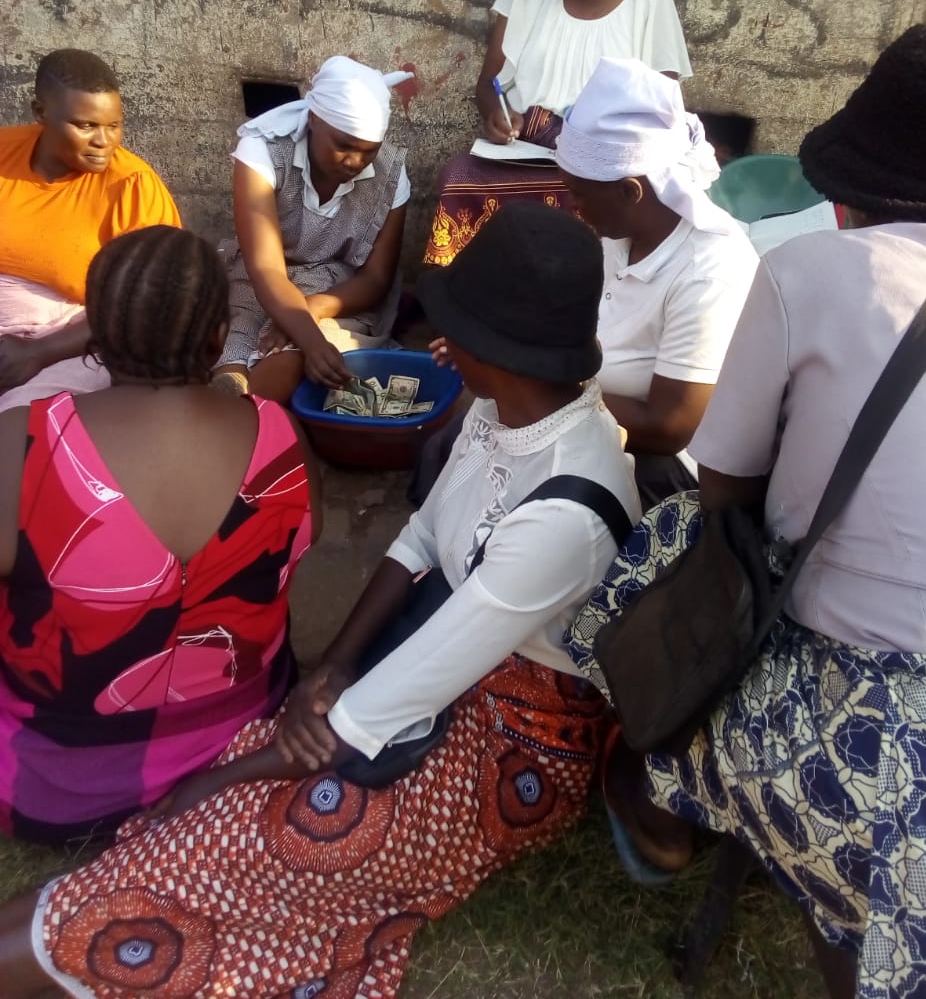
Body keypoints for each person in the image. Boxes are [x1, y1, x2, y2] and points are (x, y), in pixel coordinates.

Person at [0, 204, 641, 999]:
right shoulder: (503, 410)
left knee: (274, 832)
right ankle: (82, 909)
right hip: (437, 661)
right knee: (250, 776)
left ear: (497, 352)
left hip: (507, 738)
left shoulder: (567, 513)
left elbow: (392, 706)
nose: (437, 342)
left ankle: (66, 935)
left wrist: (223, 781)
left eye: (453, 328)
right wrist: (330, 667)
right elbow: (419, 541)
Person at [603, 23, 926, 999]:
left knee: (667, 542)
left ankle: (664, 790)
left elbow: (725, 493)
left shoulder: (807, 272)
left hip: (859, 728)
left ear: (847, 195)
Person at [0, 226, 320, 845]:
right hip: (242, 747)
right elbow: (301, 541)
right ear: (219, 337)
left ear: (94, 332)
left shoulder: (24, 439)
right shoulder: (281, 436)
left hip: (55, 784)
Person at [424, 0, 692, 266]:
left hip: (601, 171)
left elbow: (662, 114)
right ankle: (464, 299)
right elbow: (489, 83)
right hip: (522, 154)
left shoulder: (650, 0)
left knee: (590, 204)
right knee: (458, 179)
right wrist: (498, 115)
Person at [556, 56, 758, 507]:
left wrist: (540, 385)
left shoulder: (708, 271)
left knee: (542, 492)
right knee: (470, 434)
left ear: (630, 190)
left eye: (579, 194)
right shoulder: (621, 234)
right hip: (593, 414)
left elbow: (669, 427)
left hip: (669, 470)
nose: (572, 206)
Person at [214, 56, 414, 403]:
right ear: (314, 120)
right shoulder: (263, 150)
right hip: (261, 281)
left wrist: (308, 320)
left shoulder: (391, 174)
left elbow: (375, 280)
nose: (355, 162)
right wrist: (309, 337)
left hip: (341, 292)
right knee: (233, 359)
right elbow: (266, 269)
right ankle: (235, 408)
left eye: (368, 152)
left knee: (288, 364)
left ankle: (250, 418)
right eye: (343, 146)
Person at [0, 49, 181, 412]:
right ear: (40, 113)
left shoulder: (132, 186)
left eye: (114, 125)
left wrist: (38, 352)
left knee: (19, 423)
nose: (104, 141)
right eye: (85, 126)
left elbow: (150, 301)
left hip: (72, 340)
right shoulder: (6, 152)